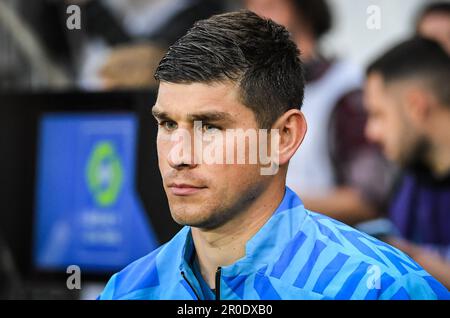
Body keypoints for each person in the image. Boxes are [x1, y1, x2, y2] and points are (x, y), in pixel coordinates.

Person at [99, 11, 448, 300]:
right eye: (167, 124)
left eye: (210, 127)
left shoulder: (381, 289)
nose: (178, 156)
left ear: (283, 137)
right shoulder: (125, 291)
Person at [245, 0, 391, 225]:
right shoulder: (248, 87)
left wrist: (259, 201)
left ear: (304, 9)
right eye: (250, 7)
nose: (256, 17)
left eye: (269, 6)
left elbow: (367, 199)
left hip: (328, 246)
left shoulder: (345, 89)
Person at [364, 37, 450, 289]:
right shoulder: (406, 181)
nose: (371, 132)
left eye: (378, 114)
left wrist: (408, 259)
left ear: (416, 106)